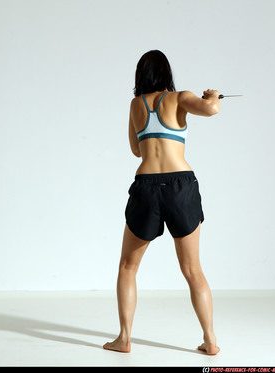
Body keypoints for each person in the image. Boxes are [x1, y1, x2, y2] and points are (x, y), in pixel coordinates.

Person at [103, 50, 221, 355]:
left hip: (146, 185)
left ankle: (124, 337)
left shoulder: (135, 104)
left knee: (128, 267)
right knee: (193, 269)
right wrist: (213, 95)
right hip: (181, 185)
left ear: (140, 75)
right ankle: (210, 340)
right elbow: (211, 110)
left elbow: (136, 149)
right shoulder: (180, 97)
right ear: (167, 73)